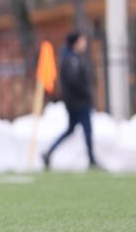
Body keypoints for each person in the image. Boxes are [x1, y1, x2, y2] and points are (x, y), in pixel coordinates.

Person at [42, 31, 101, 170]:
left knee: (70, 130)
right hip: (78, 102)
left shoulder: (71, 58)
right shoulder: (72, 60)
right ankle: (92, 160)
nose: (84, 43)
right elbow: (73, 81)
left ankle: (49, 152)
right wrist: (86, 93)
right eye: (82, 40)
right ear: (76, 43)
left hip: (74, 102)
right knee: (87, 130)